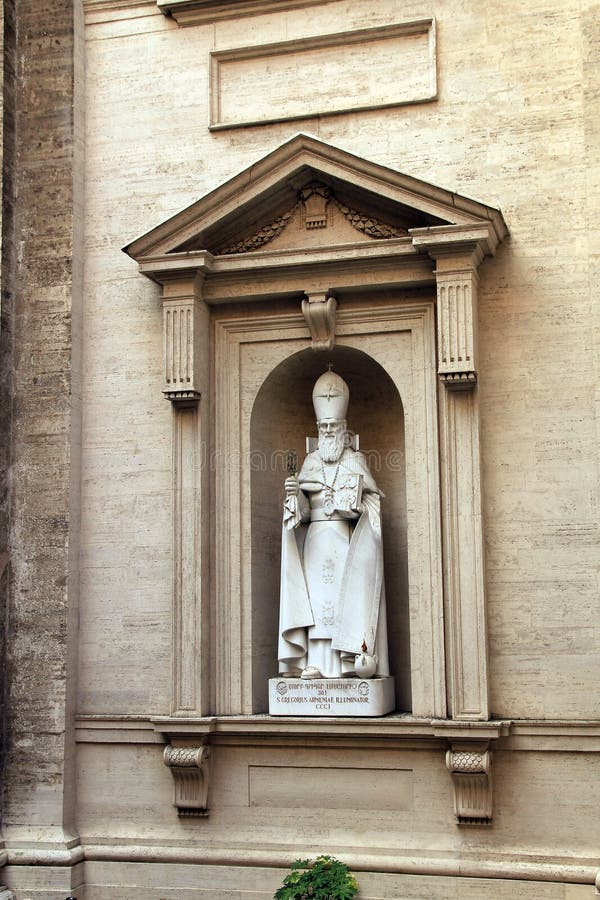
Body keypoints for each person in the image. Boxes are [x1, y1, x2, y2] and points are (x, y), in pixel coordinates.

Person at [278, 368, 389, 679]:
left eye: (333, 425)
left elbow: (372, 504)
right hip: (315, 539)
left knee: (342, 600)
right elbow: (299, 515)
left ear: (344, 428)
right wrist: (294, 494)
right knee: (316, 601)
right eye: (323, 426)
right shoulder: (310, 462)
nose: (328, 430)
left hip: (343, 540)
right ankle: (314, 661)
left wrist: (356, 502)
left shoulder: (355, 460)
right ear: (318, 427)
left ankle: (345, 661)